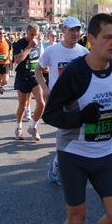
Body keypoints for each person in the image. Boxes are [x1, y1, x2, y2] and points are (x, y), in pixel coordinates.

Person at [42, 14, 112, 224]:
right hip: (74, 154)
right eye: (107, 37)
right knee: (76, 219)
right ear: (91, 38)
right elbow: (49, 114)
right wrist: (80, 118)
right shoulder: (75, 72)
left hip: (106, 154)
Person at [36, 16, 89, 184]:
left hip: (78, 99)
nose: (75, 33)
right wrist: (45, 89)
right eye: (72, 30)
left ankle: (65, 162)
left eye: (77, 30)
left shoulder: (84, 52)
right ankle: (59, 164)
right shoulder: (52, 50)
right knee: (64, 132)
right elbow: (38, 70)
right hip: (59, 99)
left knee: (79, 133)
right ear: (63, 30)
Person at [12, 24, 45, 140]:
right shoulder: (19, 43)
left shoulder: (39, 43)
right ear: (27, 32)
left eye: (36, 35)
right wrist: (29, 47)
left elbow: (40, 57)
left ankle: (33, 127)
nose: (34, 37)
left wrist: (44, 67)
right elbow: (18, 59)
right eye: (32, 34)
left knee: (41, 104)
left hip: (34, 76)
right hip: (22, 76)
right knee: (23, 106)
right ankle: (18, 127)